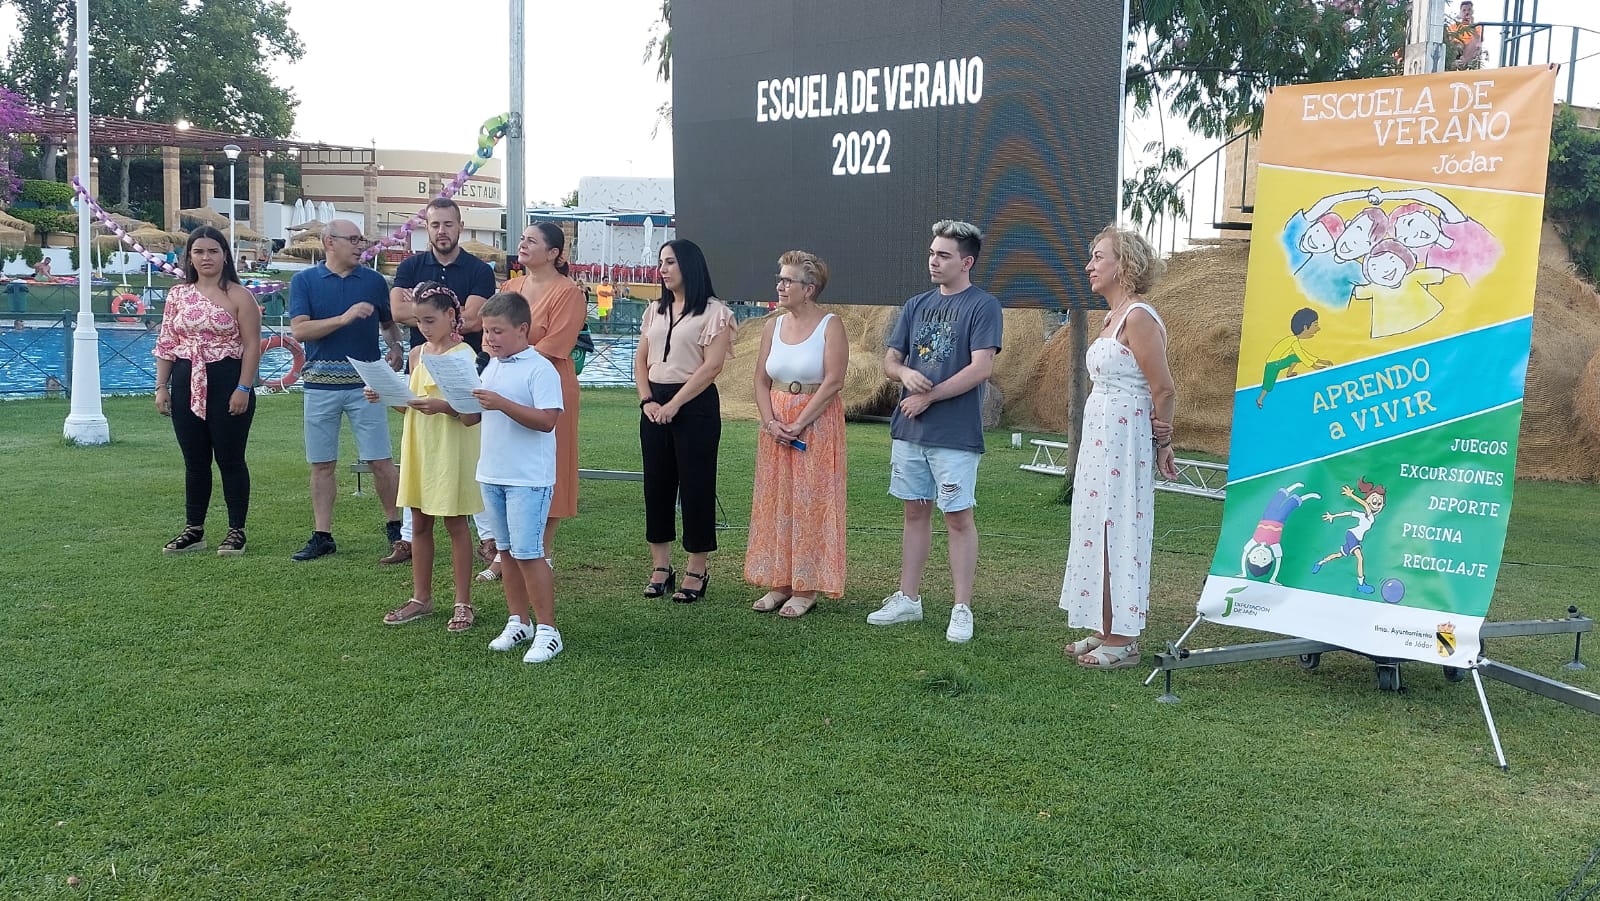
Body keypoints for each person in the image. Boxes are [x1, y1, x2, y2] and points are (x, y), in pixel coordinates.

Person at [869, 220, 1003, 643]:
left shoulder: (983, 306)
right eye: (932, 252)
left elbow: (981, 367)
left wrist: (929, 396)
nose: (933, 260)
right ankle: (909, 598)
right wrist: (906, 373)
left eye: (943, 255)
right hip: (910, 432)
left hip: (955, 434)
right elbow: (891, 361)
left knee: (958, 516)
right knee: (914, 512)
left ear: (967, 262)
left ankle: (961, 607)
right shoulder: (916, 304)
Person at [1060, 226, 1178, 670]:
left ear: (1123, 265)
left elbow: (1162, 388)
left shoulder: (1139, 317)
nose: (1090, 266)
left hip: (1125, 442)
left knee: (1120, 529)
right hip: (1101, 439)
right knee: (1096, 526)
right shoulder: (1112, 318)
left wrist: (1162, 442)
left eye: (1098, 257)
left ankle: (1125, 638)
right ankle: (1105, 625)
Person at [383, 197, 497, 566]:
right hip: (422, 363)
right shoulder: (412, 264)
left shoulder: (479, 269)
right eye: (435, 225)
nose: (442, 231)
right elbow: (399, 311)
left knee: (466, 452)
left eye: (448, 224)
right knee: (420, 449)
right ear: (426, 228)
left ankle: (489, 536)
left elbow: (476, 318)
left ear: (459, 226)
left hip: (467, 361)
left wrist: (451, 318)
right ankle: (407, 539)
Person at [364, 282, 483, 632]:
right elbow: (409, 406)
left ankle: (463, 601)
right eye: (418, 322)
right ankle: (421, 597)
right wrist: (384, 395)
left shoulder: (464, 356)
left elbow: (470, 412)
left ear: (450, 316)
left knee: (455, 523)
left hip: (450, 445)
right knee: (419, 521)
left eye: (430, 320)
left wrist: (443, 406)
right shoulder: (417, 355)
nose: (424, 328)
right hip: (419, 444)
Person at [287, 219, 405, 562]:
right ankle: (322, 535)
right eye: (353, 239)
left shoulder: (373, 281)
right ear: (329, 242)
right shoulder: (304, 281)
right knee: (322, 464)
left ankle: (397, 529)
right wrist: (344, 318)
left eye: (362, 239)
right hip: (319, 386)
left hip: (367, 386)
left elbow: (388, 325)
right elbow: (300, 331)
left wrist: (395, 347)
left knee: (381, 460)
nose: (360, 245)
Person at [746, 250, 848, 617]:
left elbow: (833, 380)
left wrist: (800, 421)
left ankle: (806, 587)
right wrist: (771, 422)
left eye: (788, 280)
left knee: (810, 501)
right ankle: (778, 582)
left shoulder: (830, 325)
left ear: (810, 288)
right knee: (777, 501)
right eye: (781, 278)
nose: (780, 285)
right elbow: (760, 378)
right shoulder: (772, 326)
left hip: (815, 423)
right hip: (775, 422)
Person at [152, 226, 262, 556]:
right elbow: (167, 343)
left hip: (228, 379)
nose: (206, 257)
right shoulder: (178, 295)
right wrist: (161, 386)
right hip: (186, 380)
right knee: (195, 461)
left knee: (230, 459)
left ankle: (236, 530)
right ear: (189, 257)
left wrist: (243, 387)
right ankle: (194, 529)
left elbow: (252, 345)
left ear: (225, 255)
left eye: (212, 251)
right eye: (198, 252)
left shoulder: (239, 296)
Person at [636, 239, 736, 602]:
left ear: (689, 266)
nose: (662, 269)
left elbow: (712, 366)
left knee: (696, 485)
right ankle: (661, 566)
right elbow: (641, 359)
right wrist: (647, 399)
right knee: (657, 486)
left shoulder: (715, 313)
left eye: (670, 262)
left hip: (694, 404)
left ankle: (697, 568)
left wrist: (675, 404)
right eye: (661, 262)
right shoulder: (654, 310)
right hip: (654, 402)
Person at [471, 291, 566, 663]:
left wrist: (501, 403)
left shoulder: (539, 368)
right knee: (505, 552)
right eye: (486, 332)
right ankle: (518, 620)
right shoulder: (492, 365)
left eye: (497, 331)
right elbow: (479, 412)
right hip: (493, 472)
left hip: (528, 477)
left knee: (529, 553)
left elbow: (546, 421)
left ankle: (548, 630)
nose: (490, 339)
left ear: (521, 329)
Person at [500, 222, 587, 564]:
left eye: (531, 241)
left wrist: (514, 351)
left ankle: (542, 548)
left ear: (553, 253)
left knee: (551, 465)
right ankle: (506, 550)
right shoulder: (510, 286)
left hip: (549, 385)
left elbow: (556, 344)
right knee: (510, 463)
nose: (522, 244)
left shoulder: (568, 292)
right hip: (509, 386)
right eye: (521, 239)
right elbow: (494, 334)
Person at [1256, 307, 1331, 409]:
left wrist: (1320, 360)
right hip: (1273, 364)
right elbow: (1301, 354)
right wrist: (1315, 366)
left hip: (1280, 361)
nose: (1318, 328)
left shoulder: (1293, 340)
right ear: (1305, 327)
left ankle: (1289, 373)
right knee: (1268, 385)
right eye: (1315, 325)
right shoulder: (1293, 341)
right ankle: (1260, 399)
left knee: (1294, 357)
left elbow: (1303, 354)